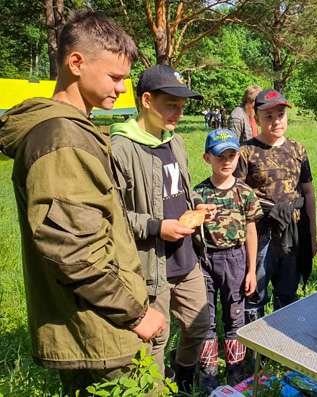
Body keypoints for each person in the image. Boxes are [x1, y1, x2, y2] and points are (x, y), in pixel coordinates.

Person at [0, 11, 165, 395]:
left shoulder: (73, 129)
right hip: (101, 335)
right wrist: (136, 313)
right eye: (115, 77)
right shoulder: (62, 138)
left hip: (100, 327)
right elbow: (73, 250)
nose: (123, 89)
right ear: (76, 63)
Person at [110, 64, 212, 393]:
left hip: (185, 256)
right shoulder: (122, 148)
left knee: (200, 323)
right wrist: (157, 226)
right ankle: (154, 388)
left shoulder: (175, 140)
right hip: (150, 263)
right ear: (147, 100)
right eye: (172, 105)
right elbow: (113, 216)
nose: (178, 114)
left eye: (182, 108)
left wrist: (197, 205)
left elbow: (181, 188)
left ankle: (182, 380)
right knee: (156, 337)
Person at [234, 88, 317, 322]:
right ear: (256, 117)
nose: (276, 121)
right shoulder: (246, 152)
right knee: (254, 293)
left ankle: (282, 347)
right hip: (260, 235)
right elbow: (237, 196)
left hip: (291, 232)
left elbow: (308, 192)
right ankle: (253, 354)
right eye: (268, 116)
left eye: (280, 115)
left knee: (288, 293)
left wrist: (311, 236)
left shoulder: (297, 149)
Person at [194, 128, 263, 391]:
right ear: (206, 158)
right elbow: (191, 229)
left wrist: (251, 270)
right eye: (220, 155)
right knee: (206, 318)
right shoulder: (198, 194)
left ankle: (236, 372)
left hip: (235, 259)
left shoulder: (244, 193)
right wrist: (197, 214)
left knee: (235, 316)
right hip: (206, 260)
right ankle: (208, 371)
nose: (226, 161)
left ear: (238, 158)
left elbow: (251, 231)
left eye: (231, 155)